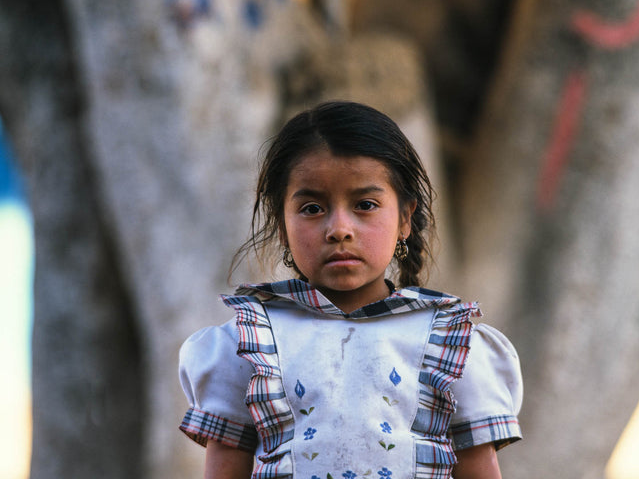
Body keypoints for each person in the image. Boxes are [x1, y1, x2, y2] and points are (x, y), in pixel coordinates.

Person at [178, 101, 523, 479]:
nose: (339, 228)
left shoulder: (450, 345)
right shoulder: (248, 344)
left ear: (404, 218)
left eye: (365, 205)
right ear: (281, 225)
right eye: (311, 208)